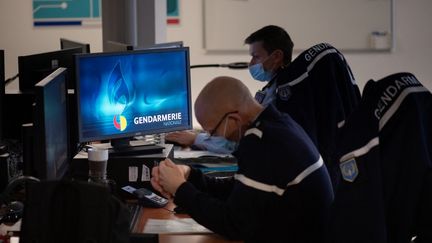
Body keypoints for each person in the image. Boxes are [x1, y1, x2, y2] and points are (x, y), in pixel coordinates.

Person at [152, 76, 334, 242]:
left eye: (211, 132)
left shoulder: (263, 144)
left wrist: (180, 189)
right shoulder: (279, 124)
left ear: (233, 119)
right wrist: (190, 175)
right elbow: (237, 192)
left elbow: (234, 224)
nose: (210, 137)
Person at [167, 25, 361, 175]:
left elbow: (242, 141)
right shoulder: (274, 89)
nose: (251, 64)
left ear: (276, 56)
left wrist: (198, 138)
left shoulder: (285, 98)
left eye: (255, 56)